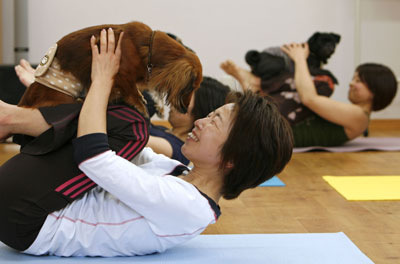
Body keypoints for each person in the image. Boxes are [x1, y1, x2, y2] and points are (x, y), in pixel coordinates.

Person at [0, 28, 293, 257]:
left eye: (214, 122)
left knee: (131, 124)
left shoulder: (188, 207)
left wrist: (102, 77)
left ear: (233, 159)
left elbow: (95, 157)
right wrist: (58, 96)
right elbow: (111, 138)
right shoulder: (177, 171)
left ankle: (11, 119)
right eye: (210, 115)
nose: (201, 121)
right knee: (127, 123)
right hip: (29, 208)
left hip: (30, 220)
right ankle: (15, 118)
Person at [14, 61, 230, 165]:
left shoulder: (175, 149)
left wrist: (55, 93)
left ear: (200, 111)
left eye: (183, 98)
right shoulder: (165, 132)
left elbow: (116, 134)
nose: (173, 100)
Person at [221, 43, 398, 147]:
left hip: (271, 137)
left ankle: (251, 86)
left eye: (359, 81)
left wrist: (299, 59)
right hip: (270, 132)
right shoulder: (354, 113)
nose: (352, 83)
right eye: (354, 78)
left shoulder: (360, 117)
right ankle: (252, 86)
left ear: (375, 91)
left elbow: (309, 98)